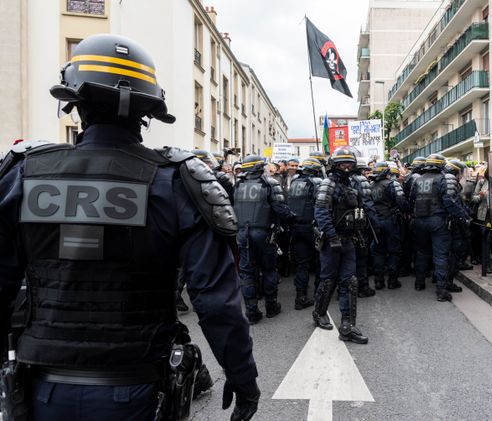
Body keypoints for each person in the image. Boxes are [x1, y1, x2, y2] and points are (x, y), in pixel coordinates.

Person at [0, 34, 259, 420]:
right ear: (149, 109)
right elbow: (215, 301)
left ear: (73, 102)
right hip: (136, 389)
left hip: (41, 390)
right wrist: (242, 378)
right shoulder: (177, 182)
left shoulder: (24, 173)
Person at [312, 148, 368, 344]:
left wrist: (358, 232)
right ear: (335, 165)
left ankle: (347, 326)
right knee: (328, 280)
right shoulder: (327, 184)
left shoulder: (353, 185)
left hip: (349, 240)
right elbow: (321, 213)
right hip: (331, 242)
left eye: (350, 164)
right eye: (343, 163)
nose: (347, 167)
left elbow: (358, 211)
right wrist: (332, 236)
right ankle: (319, 313)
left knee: (350, 282)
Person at [233, 155, 296, 324]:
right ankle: (271, 307)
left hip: (243, 234)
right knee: (269, 270)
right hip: (265, 234)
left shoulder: (238, 185)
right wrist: (292, 217)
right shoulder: (269, 183)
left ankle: (251, 312)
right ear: (260, 167)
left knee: (247, 273)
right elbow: (280, 208)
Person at [409, 154, 471, 301]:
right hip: (437, 221)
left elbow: (411, 199)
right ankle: (441, 290)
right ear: (441, 165)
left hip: (419, 221)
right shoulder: (443, 179)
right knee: (440, 255)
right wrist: (463, 216)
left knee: (422, 252)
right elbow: (449, 202)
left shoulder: (418, 179)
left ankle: (419, 283)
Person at [287, 158, 323, 310]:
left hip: (296, 227)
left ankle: (300, 297)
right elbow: (321, 205)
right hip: (312, 227)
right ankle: (319, 295)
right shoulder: (316, 183)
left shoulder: (294, 183)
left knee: (302, 264)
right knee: (320, 261)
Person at [370, 161, 408, 289]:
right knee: (394, 251)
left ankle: (378, 281)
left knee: (378, 252)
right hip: (391, 220)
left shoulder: (370, 186)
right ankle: (392, 281)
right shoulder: (393, 184)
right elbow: (401, 201)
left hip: (376, 221)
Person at [350, 158, 379, 297]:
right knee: (361, 257)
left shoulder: (339, 180)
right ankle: (362, 287)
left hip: (342, 225)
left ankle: (345, 289)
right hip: (359, 224)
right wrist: (375, 225)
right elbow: (368, 205)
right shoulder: (361, 180)